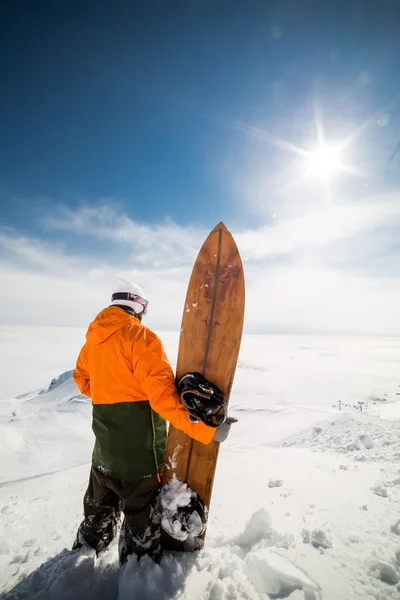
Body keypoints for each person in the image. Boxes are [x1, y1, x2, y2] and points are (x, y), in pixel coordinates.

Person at [72, 276, 233, 564]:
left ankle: (77, 567)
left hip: (102, 458)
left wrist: (112, 390)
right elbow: (165, 401)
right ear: (137, 306)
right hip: (139, 462)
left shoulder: (92, 343)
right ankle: (137, 577)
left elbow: (81, 380)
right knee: (140, 529)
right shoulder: (141, 339)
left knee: (96, 519)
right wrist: (208, 431)